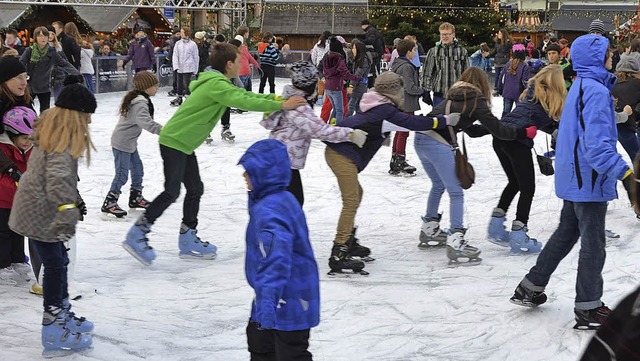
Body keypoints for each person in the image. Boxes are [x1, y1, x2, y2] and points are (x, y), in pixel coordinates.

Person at [121, 43, 307, 266]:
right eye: (238, 62)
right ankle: (138, 233)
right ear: (229, 64)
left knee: (195, 189)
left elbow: (243, 94)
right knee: (172, 191)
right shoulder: (216, 85)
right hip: (174, 141)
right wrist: (284, 105)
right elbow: (244, 101)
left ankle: (188, 237)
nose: (241, 65)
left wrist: (278, 102)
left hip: (183, 143)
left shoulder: (218, 83)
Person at [509, 34, 636, 331]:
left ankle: (530, 286)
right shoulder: (596, 92)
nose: (612, 59)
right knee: (594, 244)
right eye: (608, 55)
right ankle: (589, 307)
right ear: (597, 59)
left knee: (566, 233)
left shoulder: (580, 85)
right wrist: (627, 175)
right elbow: (597, 145)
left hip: (574, 175)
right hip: (588, 179)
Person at [324, 71, 455, 274]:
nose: (403, 94)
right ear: (394, 90)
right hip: (341, 154)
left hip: (339, 152)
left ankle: (348, 239)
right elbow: (412, 123)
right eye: (400, 89)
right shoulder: (385, 111)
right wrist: (442, 121)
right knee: (351, 200)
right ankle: (339, 252)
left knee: (356, 195)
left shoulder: (376, 105)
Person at [8, 80, 96, 357]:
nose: (90, 121)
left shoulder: (51, 128)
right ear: (75, 115)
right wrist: (68, 211)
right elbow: (58, 181)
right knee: (56, 265)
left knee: (59, 261)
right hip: (41, 214)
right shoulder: (62, 140)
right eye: (87, 115)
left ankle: (61, 311)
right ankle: (54, 325)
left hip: (37, 209)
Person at [416, 67, 536, 265]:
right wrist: (522, 133)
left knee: (438, 185)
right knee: (456, 192)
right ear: (482, 84)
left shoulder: (455, 96)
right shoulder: (476, 100)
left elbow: (472, 131)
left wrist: (494, 128)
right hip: (437, 142)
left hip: (421, 140)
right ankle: (456, 241)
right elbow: (501, 132)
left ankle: (429, 229)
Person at [238, 139, 319, 361]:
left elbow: (275, 260)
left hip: (284, 299)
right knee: (260, 346)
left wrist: (267, 305)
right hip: (280, 294)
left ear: (263, 174)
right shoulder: (281, 198)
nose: (244, 176)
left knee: (287, 353)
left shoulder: (270, 210)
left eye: (249, 172)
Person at [260, 61, 367, 205]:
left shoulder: (289, 98)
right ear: (309, 85)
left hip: (278, 160)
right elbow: (321, 130)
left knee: (289, 203)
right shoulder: (299, 106)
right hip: (282, 164)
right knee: (293, 204)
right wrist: (351, 134)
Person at [487, 65, 566, 254]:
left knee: (515, 182)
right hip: (517, 141)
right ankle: (519, 233)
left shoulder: (532, 93)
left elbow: (536, 120)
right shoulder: (548, 99)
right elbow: (549, 121)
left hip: (500, 137)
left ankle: (496, 226)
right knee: (528, 188)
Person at [101, 72, 162, 218]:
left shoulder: (139, 99)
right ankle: (110, 202)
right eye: (155, 86)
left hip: (129, 142)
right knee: (122, 175)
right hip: (122, 143)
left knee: (138, 170)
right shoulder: (140, 103)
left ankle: (136, 198)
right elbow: (145, 122)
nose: (157, 89)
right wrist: (164, 131)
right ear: (146, 87)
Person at [0, 102, 36, 288]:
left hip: (19, 202)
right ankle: (3, 265)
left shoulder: (29, 150)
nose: (27, 141)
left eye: (30, 137)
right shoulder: (4, 150)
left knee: (18, 231)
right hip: (2, 201)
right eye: (23, 137)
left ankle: (18, 260)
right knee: (3, 233)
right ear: (12, 135)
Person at [19, 26, 80, 113]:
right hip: (31, 85)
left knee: (45, 111)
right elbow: (21, 63)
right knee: (27, 109)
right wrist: (22, 75)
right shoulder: (29, 50)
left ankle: (43, 125)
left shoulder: (51, 51)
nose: (43, 38)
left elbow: (63, 63)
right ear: (35, 38)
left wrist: (77, 73)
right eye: (40, 36)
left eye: (45, 36)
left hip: (45, 86)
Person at [389, 38, 425, 176]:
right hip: (406, 104)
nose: (415, 52)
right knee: (403, 132)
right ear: (409, 52)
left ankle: (395, 159)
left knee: (400, 131)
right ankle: (399, 161)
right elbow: (409, 87)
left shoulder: (397, 64)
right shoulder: (407, 67)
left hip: (399, 102)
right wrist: (422, 90)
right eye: (414, 50)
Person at [421, 22, 470, 107]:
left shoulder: (462, 51)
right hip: (439, 94)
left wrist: (467, 90)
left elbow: (467, 73)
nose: (445, 37)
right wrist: (425, 90)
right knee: (438, 119)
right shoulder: (433, 51)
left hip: (457, 94)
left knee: (455, 119)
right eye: (442, 34)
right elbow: (426, 72)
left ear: (453, 34)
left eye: (447, 34)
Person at [322, 37, 360, 125]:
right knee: (340, 111)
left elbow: (323, 70)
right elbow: (346, 73)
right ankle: (338, 129)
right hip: (336, 87)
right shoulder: (339, 59)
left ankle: (331, 126)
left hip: (328, 87)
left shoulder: (326, 58)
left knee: (335, 109)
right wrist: (357, 78)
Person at [611, 54, 640, 161]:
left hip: (612, 122)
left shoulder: (611, 82)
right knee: (636, 156)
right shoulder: (637, 83)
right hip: (628, 124)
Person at [498, 43, 531, 118]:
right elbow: (525, 81)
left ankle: (503, 125)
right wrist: (527, 91)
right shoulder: (524, 66)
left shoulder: (507, 64)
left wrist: (500, 88)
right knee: (519, 112)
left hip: (507, 92)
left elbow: (501, 77)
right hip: (519, 93)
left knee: (506, 111)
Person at [170, 27, 198, 107]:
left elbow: (196, 56)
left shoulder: (192, 44)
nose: (181, 34)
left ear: (187, 33)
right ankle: (179, 97)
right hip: (180, 67)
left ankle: (189, 98)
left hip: (188, 67)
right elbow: (175, 55)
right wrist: (175, 66)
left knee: (187, 83)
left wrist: (195, 69)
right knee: (179, 83)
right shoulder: (178, 43)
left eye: (182, 32)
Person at [345, 39, 372, 116]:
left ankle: (347, 122)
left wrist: (351, 86)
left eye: (354, 48)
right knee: (357, 107)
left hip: (359, 86)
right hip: (359, 85)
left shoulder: (364, 61)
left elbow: (358, 74)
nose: (352, 50)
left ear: (358, 50)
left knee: (351, 106)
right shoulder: (359, 59)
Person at [235, 25, 260, 92]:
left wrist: (257, 66)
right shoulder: (238, 46)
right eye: (248, 32)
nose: (248, 34)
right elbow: (249, 57)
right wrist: (257, 66)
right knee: (244, 94)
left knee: (248, 94)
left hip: (246, 73)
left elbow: (249, 57)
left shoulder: (243, 46)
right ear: (245, 33)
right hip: (242, 74)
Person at [491, 29, 513, 94]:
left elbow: (512, 50)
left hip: (505, 62)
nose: (498, 35)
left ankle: (503, 88)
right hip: (497, 61)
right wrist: (488, 55)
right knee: (497, 76)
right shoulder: (497, 43)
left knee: (504, 76)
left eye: (500, 34)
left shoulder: (508, 43)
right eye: (498, 33)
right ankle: (496, 88)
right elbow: (494, 51)